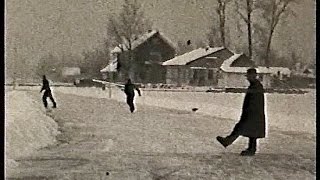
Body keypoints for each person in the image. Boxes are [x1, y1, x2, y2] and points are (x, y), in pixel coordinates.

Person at [216, 68, 266, 156]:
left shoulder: (256, 86)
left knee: (242, 128)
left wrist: (249, 112)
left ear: (253, 76)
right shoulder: (255, 85)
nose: (247, 78)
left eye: (248, 76)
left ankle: (229, 142)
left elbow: (255, 101)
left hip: (253, 113)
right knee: (250, 131)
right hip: (253, 113)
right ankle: (250, 148)